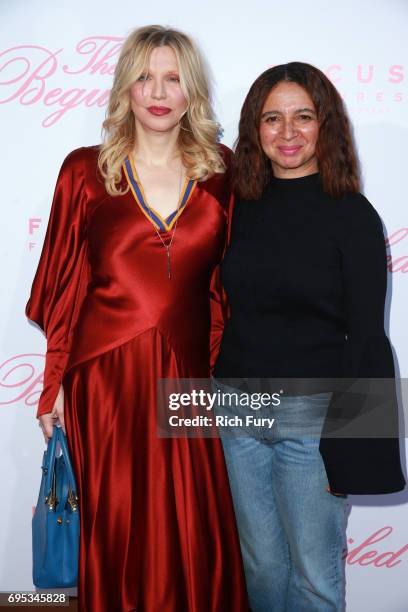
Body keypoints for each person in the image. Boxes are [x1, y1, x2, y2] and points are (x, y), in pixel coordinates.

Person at [25, 25, 249, 612]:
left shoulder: (222, 172)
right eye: (144, 76)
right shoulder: (85, 172)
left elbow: (229, 290)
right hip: (105, 383)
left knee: (195, 530)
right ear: (125, 87)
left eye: (172, 77)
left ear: (191, 91)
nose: (157, 90)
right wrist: (53, 387)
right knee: (118, 525)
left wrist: (216, 376)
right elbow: (65, 289)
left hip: (188, 384)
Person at [213, 62, 406, 611]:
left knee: (314, 580)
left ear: (327, 125)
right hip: (237, 410)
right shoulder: (237, 207)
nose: (288, 132)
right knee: (261, 569)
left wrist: (361, 450)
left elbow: (368, 335)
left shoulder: (353, 215)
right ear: (255, 128)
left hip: (314, 419)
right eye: (272, 118)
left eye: (304, 116)